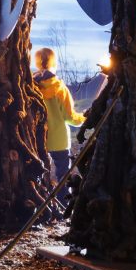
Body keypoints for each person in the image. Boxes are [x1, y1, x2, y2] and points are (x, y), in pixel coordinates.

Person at [33, 47, 86, 185]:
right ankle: (63, 204)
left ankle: (44, 204)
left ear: (37, 63)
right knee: (63, 177)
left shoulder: (30, 87)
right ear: (54, 63)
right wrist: (85, 118)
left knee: (40, 176)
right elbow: (70, 117)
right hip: (59, 140)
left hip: (37, 139)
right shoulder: (59, 87)